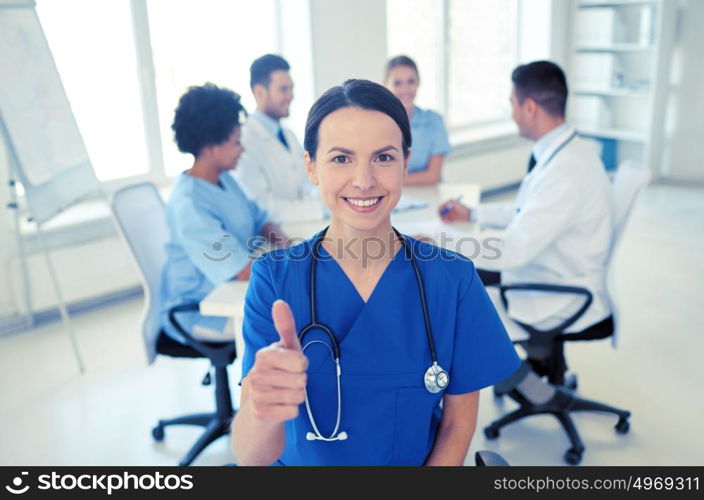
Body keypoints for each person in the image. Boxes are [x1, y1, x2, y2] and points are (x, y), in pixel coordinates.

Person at [231, 79, 520, 466]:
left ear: (405, 161)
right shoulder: (275, 280)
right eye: (341, 158)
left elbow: (457, 426)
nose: (364, 180)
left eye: (383, 157)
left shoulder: (453, 280)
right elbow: (252, 457)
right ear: (311, 167)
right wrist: (262, 410)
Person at [439, 61, 614, 333]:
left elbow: (512, 250)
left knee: (450, 303)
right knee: (463, 274)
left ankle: (522, 378)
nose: (512, 114)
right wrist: (474, 214)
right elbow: (526, 211)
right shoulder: (568, 153)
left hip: (557, 292)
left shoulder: (565, 173)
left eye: (512, 104)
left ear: (530, 107)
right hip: (545, 267)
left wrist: (443, 244)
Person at [161, 83, 288, 344]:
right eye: (236, 142)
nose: (242, 149)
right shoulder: (190, 205)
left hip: (235, 292)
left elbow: (259, 218)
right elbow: (241, 270)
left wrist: (285, 244)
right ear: (209, 148)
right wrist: (298, 268)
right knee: (296, 322)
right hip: (205, 310)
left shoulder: (223, 179)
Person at [233, 54, 320, 221]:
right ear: (259, 92)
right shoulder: (244, 141)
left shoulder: (290, 136)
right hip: (273, 240)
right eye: (283, 89)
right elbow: (261, 206)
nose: (291, 96)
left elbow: (310, 181)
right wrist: (317, 209)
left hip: (305, 228)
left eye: (291, 88)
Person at [384, 55, 450, 186]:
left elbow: (432, 176)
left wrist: (391, 182)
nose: (405, 89)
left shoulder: (434, 121)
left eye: (411, 81)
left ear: (418, 82)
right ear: (385, 85)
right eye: (398, 83)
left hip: (428, 194)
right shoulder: (378, 124)